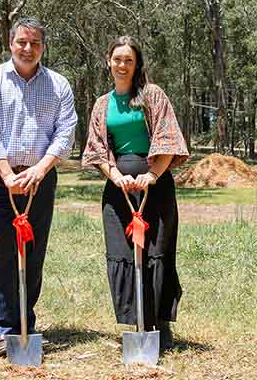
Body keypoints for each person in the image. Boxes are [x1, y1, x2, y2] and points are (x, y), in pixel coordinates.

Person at [0, 16, 78, 356]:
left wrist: (41, 169)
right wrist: (7, 175)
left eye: (35, 43)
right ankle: (3, 331)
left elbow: (66, 133)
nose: (28, 48)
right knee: (0, 251)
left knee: (32, 253)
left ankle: (25, 326)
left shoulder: (59, 85)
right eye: (22, 42)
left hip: (41, 180)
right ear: (10, 43)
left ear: (43, 47)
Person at [82, 35, 189, 350]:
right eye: (118, 59)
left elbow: (168, 138)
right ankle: (136, 323)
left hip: (154, 185)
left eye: (129, 60)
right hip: (118, 190)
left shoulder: (152, 95)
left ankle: (160, 325)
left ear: (136, 64)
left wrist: (152, 174)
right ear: (108, 62)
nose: (122, 65)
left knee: (157, 252)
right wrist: (114, 175)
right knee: (125, 254)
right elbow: (97, 148)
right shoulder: (103, 103)